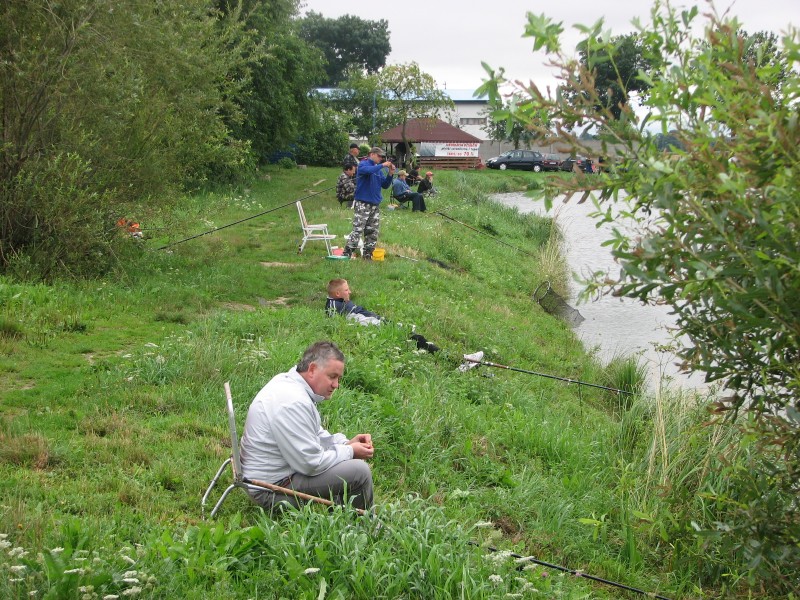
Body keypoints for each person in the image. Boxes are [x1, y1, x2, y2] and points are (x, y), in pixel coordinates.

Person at [239, 341, 375, 512]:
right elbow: (311, 464)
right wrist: (351, 452)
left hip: (275, 477)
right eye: (332, 377)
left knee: (349, 463)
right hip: (270, 490)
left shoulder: (290, 385)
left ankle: (343, 514)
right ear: (312, 369)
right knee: (359, 472)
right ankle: (365, 528)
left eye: (338, 378)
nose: (336, 385)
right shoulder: (292, 402)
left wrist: (345, 444)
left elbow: (313, 433)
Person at [325, 278, 483, 371]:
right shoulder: (334, 306)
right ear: (338, 293)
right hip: (379, 329)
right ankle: (460, 361)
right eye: (346, 290)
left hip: (382, 325)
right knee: (419, 340)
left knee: (419, 341)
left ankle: (457, 360)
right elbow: (344, 322)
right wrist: (383, 326)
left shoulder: (341, 301)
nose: (350, 292)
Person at [343, 147, 395, 260]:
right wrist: (383, 165)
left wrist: (390, 174)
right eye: (379, 156)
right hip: (363, 204)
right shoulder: (363, 164)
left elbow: (385, 185)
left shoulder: (378, 169)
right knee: (358, 230)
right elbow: (367, 171)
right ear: (372, 154)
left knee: (372, 232)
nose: (381, 158)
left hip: (375, 205)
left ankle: (368, 255)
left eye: (382, 157)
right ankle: (346, 253)